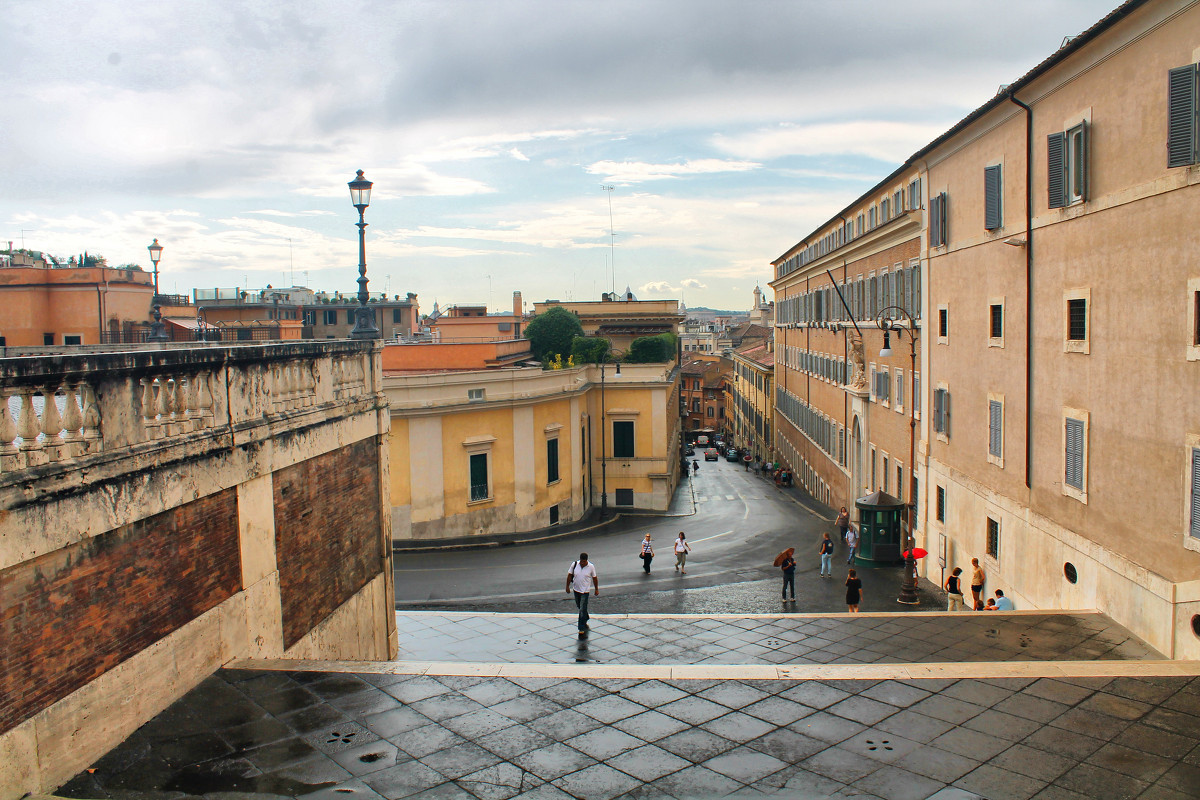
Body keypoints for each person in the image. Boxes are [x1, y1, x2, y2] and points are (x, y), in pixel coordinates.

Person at [566, 553, 599, 633]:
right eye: (581, 561)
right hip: (576, 589)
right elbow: (569, 575)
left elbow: (594, 578)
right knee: (579, 606)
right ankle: (586, 616)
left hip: (585, 591)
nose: (582, 563)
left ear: (586, 560)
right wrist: (567, 586)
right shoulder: (574, 564)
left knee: (581, 609)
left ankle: (581, 627)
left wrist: (596, 589)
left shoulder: (591, 567)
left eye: (584, 562)